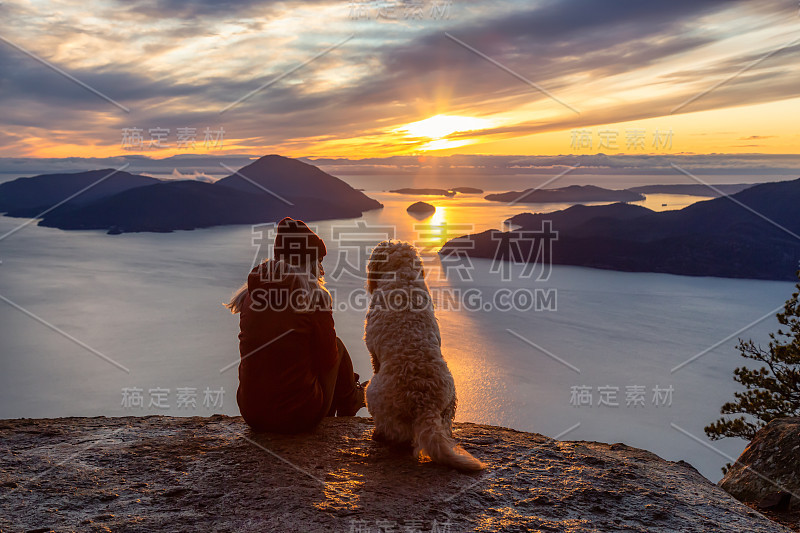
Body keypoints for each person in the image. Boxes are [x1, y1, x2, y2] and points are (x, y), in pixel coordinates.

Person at [226, 217, 365, 433]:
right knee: (336, 346)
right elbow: (328, 359)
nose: (322, 270)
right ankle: (351, 401)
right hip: (299, 417)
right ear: (307, 262)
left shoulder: (250, 296)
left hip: (252, 413)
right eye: (319, 262)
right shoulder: (314, 299)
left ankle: (348, 398)